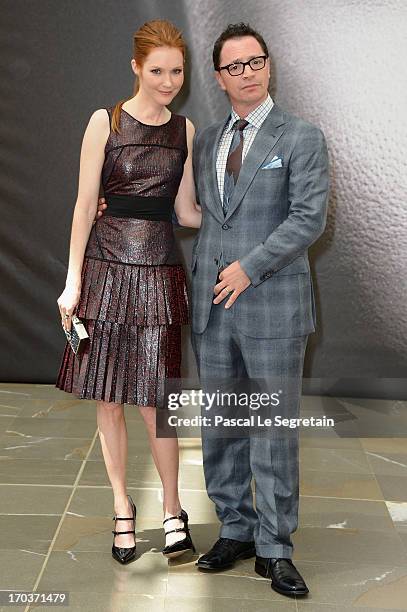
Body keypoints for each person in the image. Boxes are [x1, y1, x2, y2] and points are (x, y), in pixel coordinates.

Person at [97, 21, 329, 596]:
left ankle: (276, 549)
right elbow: (191, 211)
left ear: (268, 66)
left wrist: (251, 265)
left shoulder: (301, 137)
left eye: (255, 62)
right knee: (223, 426)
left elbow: (308, 219)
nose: (246, 72)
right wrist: (121, 203)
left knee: (272, 430)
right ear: (220, 77)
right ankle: (236, 529)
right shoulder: (205, 140)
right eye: (234, 66)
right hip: (211, 308)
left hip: (272, 303)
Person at [56, 19, 201, 565]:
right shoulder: (106, 121)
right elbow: (82, 206)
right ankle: (122, 507)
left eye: (177, 71)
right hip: (105, 274)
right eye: (158, 70)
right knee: (110, 400)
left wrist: (241, 223)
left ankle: (172, 510)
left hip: (159, 277)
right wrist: (72, 283)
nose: (168, 82)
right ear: (136, 67)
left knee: (158, 405)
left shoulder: (184, 130)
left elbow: (186, 212)